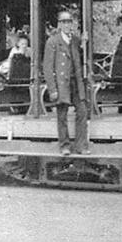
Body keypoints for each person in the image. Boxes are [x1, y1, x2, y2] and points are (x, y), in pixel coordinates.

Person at [43, 10, 89, 156]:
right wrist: (52, 89)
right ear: (60, 24)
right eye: (65, 22)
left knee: (82, 111)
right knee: (61, 115)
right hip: (61, 84)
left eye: (70, 21)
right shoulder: (53, 41)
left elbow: (78, 58)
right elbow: (47, 68)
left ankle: (81, 146)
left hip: (75, 83)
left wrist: (84, 43)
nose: (68, 24)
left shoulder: (75, 40)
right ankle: (64, 146)